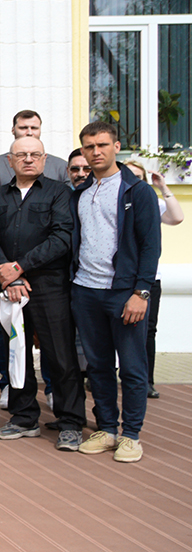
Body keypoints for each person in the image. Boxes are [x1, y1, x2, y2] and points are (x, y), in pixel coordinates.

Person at [0, 135, 85, 450]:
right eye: (21, 155)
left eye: (35, 154)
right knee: (17, 353)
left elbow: (62, 238)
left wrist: (20, 267)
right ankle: (24, 417)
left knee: (60, 355)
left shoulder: (59, 193)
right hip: (11, 288)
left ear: (44, 159)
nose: (28, 159)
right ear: (10, 160)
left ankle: (70, 422)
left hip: (49, 286)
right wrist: (10, 277)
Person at [71, 122, 160, 463]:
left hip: (124, 293)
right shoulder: (80, 192)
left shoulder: (137, 191)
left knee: (133, 368)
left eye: (103, 145)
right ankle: (107, 429)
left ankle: (131, 435)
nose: (96, 152)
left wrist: (142, 292)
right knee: (98, 366)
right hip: (86, 291)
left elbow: (151, 246)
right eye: (89, 146)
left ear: (117, 147)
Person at [121, 161, 183, 399]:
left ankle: (146, 380)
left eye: (138, 176)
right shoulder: (113, 200)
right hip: (117, 278)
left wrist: (163, 188)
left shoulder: (151, 202)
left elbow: (176, 218)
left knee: (147, 330)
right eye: (128, 175)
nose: (132, 180)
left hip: (148, 279)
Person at [0, 110, 71, 198]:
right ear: (13, 130)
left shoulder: (60, 166)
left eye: (34, 128)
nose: (29, 133)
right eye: (23, 128)